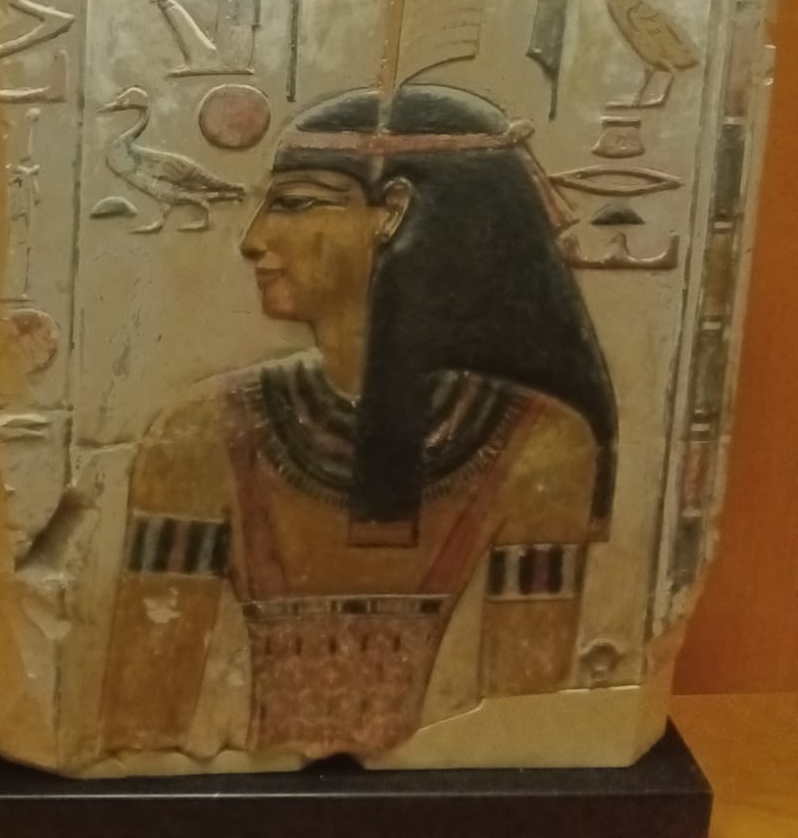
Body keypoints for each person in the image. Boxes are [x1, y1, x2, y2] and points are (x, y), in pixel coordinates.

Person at [100, 84, 617, 760]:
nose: (254, 241)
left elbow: (519, 741)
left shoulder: (540, 445)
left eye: (295, 204)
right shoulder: (198, 436)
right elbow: (139, 736)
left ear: (393, 212)